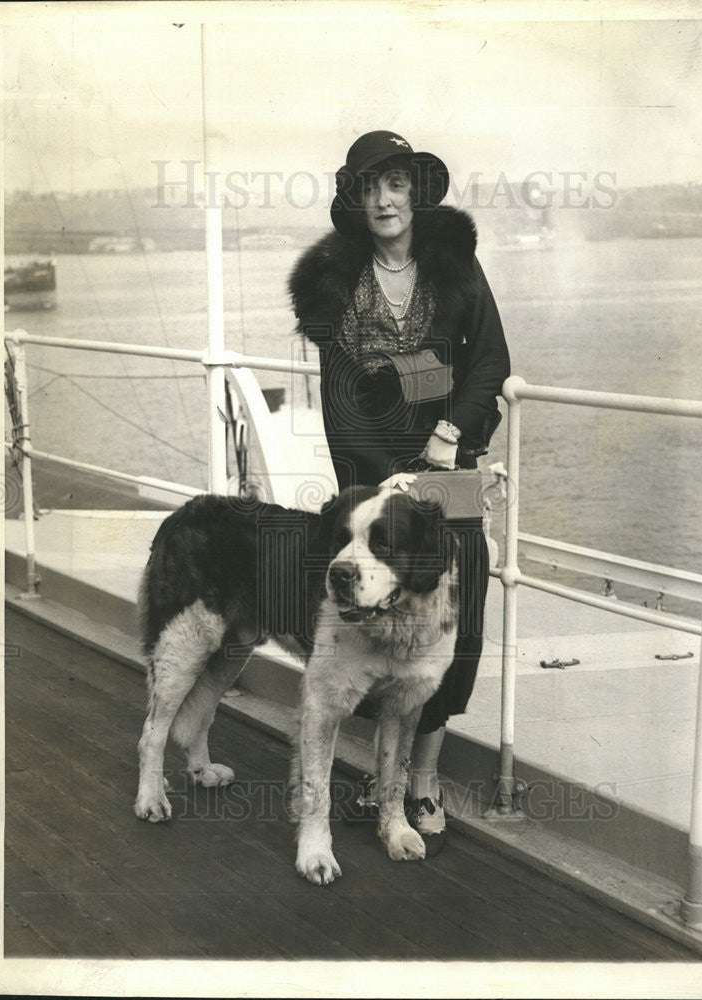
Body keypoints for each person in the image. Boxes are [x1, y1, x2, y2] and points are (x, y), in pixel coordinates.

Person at [289, 131, 510, 853]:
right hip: (377, 473)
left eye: (395, 185)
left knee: (456, 620)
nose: (383, 200)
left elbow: (490, 363)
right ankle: (378, 779)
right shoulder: (333, 283)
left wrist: (449, 431)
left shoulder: (455, 264)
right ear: (353, 198)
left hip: (450, 464)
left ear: (414, 194)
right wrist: (385, 472)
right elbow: (341, 398)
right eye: (369, 187)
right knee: (373, 619)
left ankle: (421, 778)